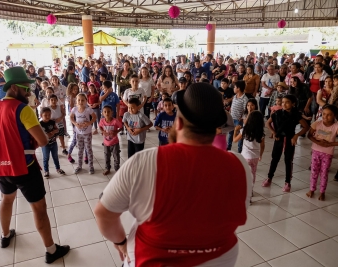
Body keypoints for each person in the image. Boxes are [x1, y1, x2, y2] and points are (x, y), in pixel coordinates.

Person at [94, 82, 251, 267]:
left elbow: (104, 214)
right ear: (217, 128)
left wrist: (120, 242)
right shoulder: (240, 165)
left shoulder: (145, 162)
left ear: (179, 122)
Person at [0, 67, 70, 263]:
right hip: (24, 167)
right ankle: (51, 250)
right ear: (13, 88)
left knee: (6, 199)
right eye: (25, 89)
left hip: (0, 166)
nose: (29, 92)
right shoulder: (23, 110)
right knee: (39, 208)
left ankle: (5, 235)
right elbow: (43, 140)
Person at [262, 95, 309, 192]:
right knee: (275, 159)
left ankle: (288, 182)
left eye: (287, 102)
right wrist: (274, 132)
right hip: (279, 138)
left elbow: (306, 127)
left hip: (289, 139)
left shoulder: (296, 115)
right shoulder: (277, 113)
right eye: (283, 102)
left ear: (293, 104)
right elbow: (267, 123)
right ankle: (269, 178)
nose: (284, 104)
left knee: (288, 160)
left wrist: (296, 136)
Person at [306, 105, 338, 201]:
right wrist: (318, 142)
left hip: (327, 153)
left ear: (334, 116)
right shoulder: (317, 123)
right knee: (314, 171)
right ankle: (312, 189)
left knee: (324, 173)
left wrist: (330, 144)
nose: (325, 117)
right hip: (316, 151)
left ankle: (322, 191)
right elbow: (309, 135)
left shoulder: (336, 126)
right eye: (324, 114)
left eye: (329, 115)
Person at [233, 110, 265, 202]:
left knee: (244, 175)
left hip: (245, 157)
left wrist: (235, 131)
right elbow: (262, 146)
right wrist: (260, 155)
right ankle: (250, 193)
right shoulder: (261, 133)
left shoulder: (244, 131)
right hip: (255, 157)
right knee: (253, 175)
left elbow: (235, 140)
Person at [70, 93, 96, 174]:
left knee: (88, 150)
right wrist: (75, 123)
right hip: (78, 133)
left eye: (82, 100)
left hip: (87, 133)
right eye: (79, 100)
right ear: (76, 101)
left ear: (86, 101)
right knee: (80, 150)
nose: (80, 102)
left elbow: (95, 117)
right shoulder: (74, 109)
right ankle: (79, 166)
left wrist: (89, 123)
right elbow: (71, 117)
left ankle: (91, 167)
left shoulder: (88, 109)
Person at [40, 107, 66, 178]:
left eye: (49, 114)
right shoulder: (40, 124)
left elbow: (57, 130)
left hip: (54, 143)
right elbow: (46, 135)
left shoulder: (52, 122)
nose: (48, 116)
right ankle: (46, 171)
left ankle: (58, 168)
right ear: (41, 115)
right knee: (46, 158)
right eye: (45, 115)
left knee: (55, 157)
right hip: (45, 144)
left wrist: (51, 133)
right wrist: (52, 132)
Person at [99, 105, 123, 175]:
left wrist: (116, 132)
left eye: (108, 111)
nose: (107, 113)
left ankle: (117, 169)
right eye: (105, 112)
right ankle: (107, 168)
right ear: (102, 113)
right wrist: (102, 131)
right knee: (106, 156)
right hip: (106, 143)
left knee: (116, 155)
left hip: (115, 142)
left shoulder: (115, 121)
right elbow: (100, 126)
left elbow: (121, 127)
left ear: (112, 112)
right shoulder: (102, 121)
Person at [227, 80, 248, 152]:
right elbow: (232, 106)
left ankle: (240, 151)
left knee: (239, 136)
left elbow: (246, 110)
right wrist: (230, 112)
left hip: (238, 121)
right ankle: (228, 148)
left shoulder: (245, 99)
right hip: (232, 118)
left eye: (234, 87)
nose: (233, 88)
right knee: (230, 134)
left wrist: (242, 118)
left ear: (238, 88)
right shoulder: (235, 96)